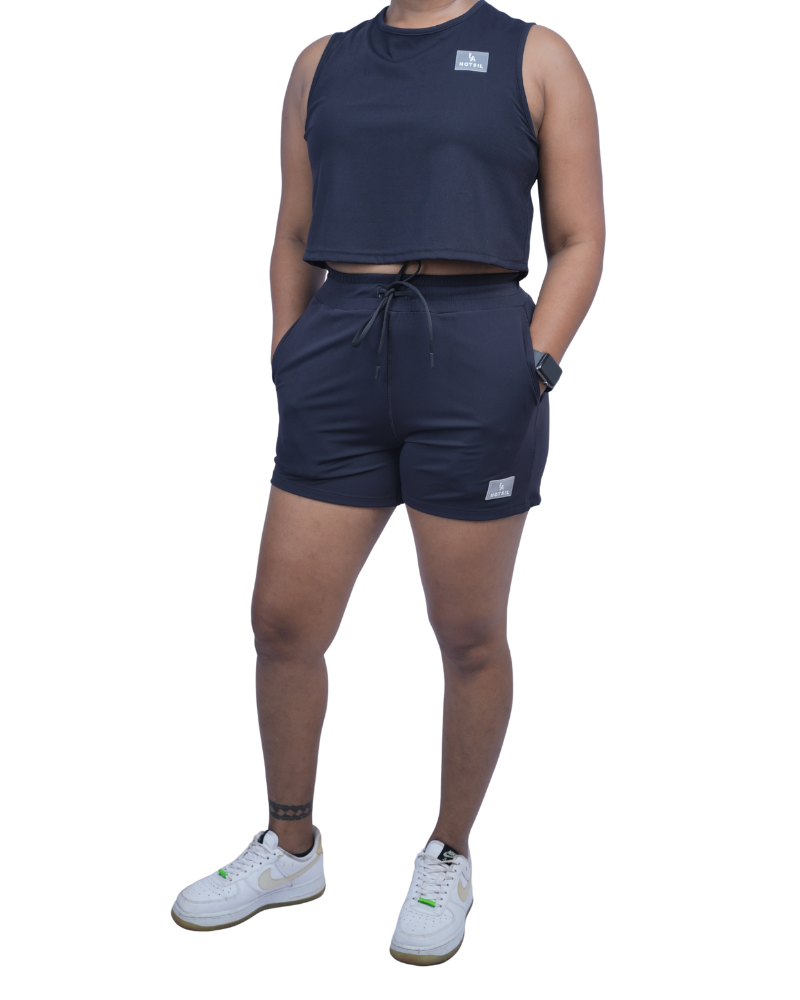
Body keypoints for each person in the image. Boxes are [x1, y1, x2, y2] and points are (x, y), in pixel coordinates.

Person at [171, 0, 604, 965]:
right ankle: (290, 847)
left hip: (477, 352)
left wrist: (534, 366)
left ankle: (449, 852)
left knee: (467, 633)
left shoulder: (535, 56)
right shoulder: (320, 62)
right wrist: (288, 355)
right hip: (339, 346)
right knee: (283, 623)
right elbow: (293, 227)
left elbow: (580, 239)